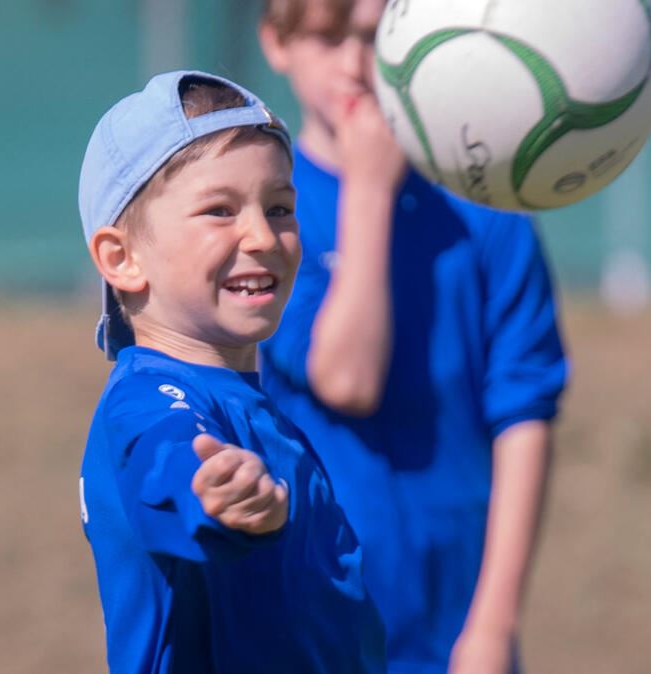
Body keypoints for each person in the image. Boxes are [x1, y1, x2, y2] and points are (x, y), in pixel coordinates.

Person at [258, 2, 569, 672]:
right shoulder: (268, 220)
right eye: (326, 36)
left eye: (373, 37)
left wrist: (492, 625)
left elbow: (525, 417)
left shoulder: (484, 206)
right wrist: (369, 189)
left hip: (456, 636)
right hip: (311, 638)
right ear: (276, 44)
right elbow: (347, 378)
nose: (353, 62)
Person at [76, 70, 386, 674]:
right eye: (219, 211)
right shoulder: (148, 401)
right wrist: (211, 493)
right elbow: (165, 458)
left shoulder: (253, 405)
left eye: (279, 207)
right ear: (122, 258)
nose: (262, 235)